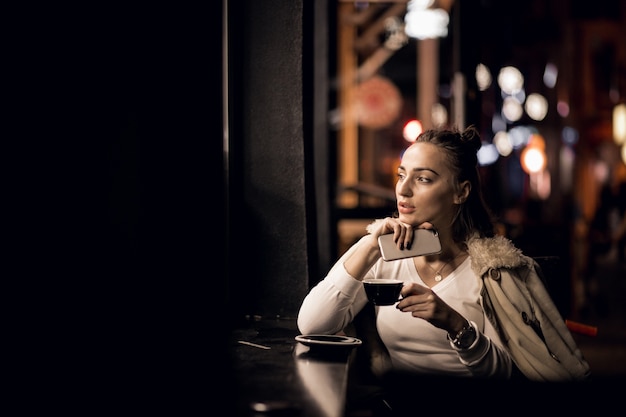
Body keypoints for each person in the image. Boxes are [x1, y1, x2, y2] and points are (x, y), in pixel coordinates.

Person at [298, 126, 589, 384]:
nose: (404, 189)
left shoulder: (491, 268)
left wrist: (454, 323)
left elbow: (501, 373)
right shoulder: (383, 253)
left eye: (423, 179)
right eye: (402, 175)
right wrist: (371, 245)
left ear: (460, 193)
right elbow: (313, 325)